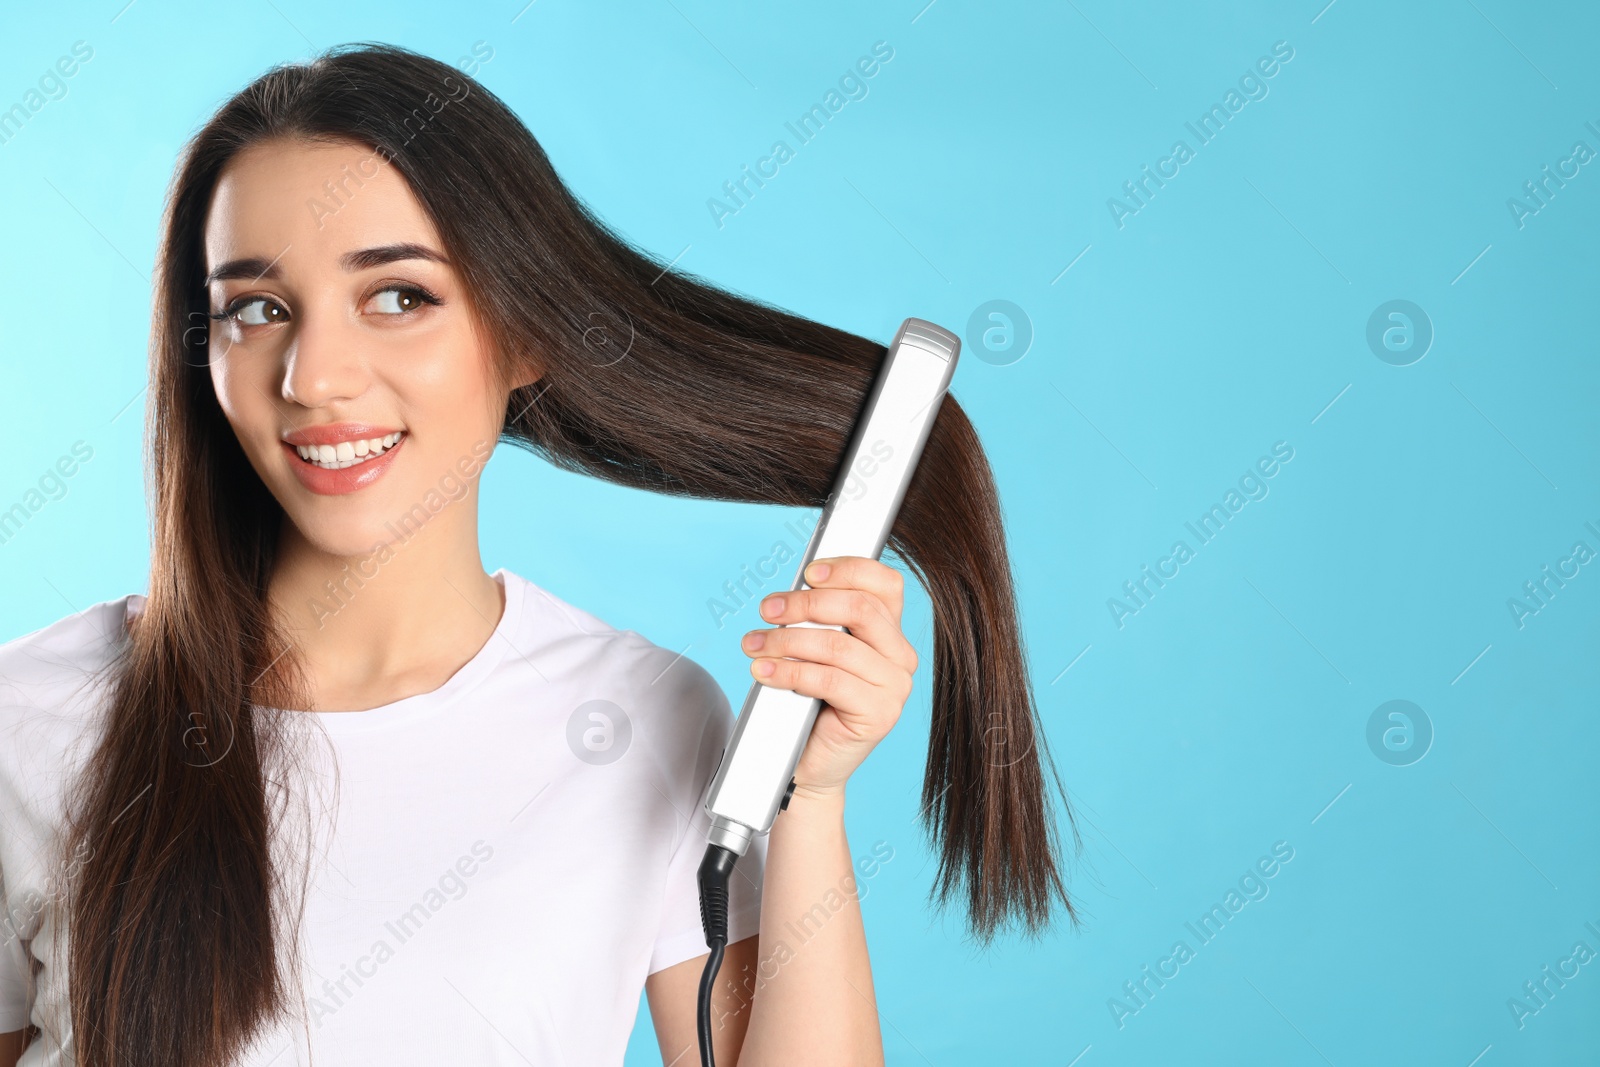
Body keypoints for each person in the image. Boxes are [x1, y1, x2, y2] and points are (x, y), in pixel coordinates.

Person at [0, 43, 1073, 1067]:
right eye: (259, 309)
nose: (316, 376)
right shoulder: (28, 715)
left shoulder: (645, 718)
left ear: (525, 332)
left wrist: (808, 797)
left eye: (398, 295)